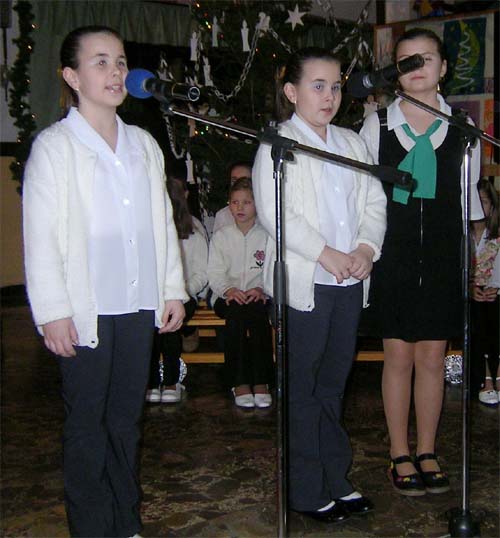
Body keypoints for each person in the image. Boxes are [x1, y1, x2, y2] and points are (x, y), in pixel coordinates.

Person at [22, 26, 187, 538]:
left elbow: (161, 223)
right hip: (85, 308)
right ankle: (94, 527)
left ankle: (125, 521)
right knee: (87, 424)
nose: (116, 72)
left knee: (125, 421)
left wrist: (171, 288)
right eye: (100, 62)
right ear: (72, 77)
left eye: (119, 61)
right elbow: (41, 237)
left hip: (137, 303)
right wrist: (53, 311)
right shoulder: (55, 147)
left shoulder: (143, 144)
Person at [253, 47, 386, 522]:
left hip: (348, 281)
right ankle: (306, 489)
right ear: (292, 92)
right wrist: (326, 254)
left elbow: (374, 202)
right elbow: (275, 212)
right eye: (317, 86)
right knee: (302, 390)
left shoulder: (352, 143)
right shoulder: (277, 144)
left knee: (333, 386)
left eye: (335, 87)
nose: (329, 96)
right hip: (306, 283)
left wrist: (365, 249)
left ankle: (336, 478)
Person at [360, 28, 483, 496]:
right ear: (394, 71)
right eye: (405, 61)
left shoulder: (463, 129)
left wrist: (472, 264)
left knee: (433, 357)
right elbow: (364, 196)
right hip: (393, 253)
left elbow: (468, 203)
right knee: (398, 355)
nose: (416, 68)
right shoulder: (378, 125)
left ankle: (427, 450)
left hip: (442, 256)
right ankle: (398, 452)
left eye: (425, 59)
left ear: (443, 67)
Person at [208, 177, 274, 408]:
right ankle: (239, 381)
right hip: (227, 296)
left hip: (257, 296)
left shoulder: (267, 237)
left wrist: (262, 288)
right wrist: (228, 289)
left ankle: (262, 381)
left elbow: (271, 270)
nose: (240, 207)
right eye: (235, 202)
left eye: (246, 202)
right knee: (235, 315)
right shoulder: (221, 236)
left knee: (257, 316)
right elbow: (214, 272)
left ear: (257, 205)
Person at [147, 160, 209, 403]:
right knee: (152, 320)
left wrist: (181, 293)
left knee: (170, 319)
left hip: (185, 296)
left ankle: (171, 381)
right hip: (156, 296)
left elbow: (201, 274)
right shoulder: (151, 231)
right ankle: (152, 381)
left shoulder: (193, 231)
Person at [470, 179, 500, 406]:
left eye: (485, 202)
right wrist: (470, 289)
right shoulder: (462, 235)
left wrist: (496, 287)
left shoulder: (497, 235)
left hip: (494, 289)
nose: (480, 208)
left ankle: (497, 373)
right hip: (470, 291)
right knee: (476, 313)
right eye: (476, 202)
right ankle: (485, 377)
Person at [212, 161, 253, 234]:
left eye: (243, 180)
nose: (238, 185)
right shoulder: (222, 216)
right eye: (234, 181)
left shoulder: (264, 215)